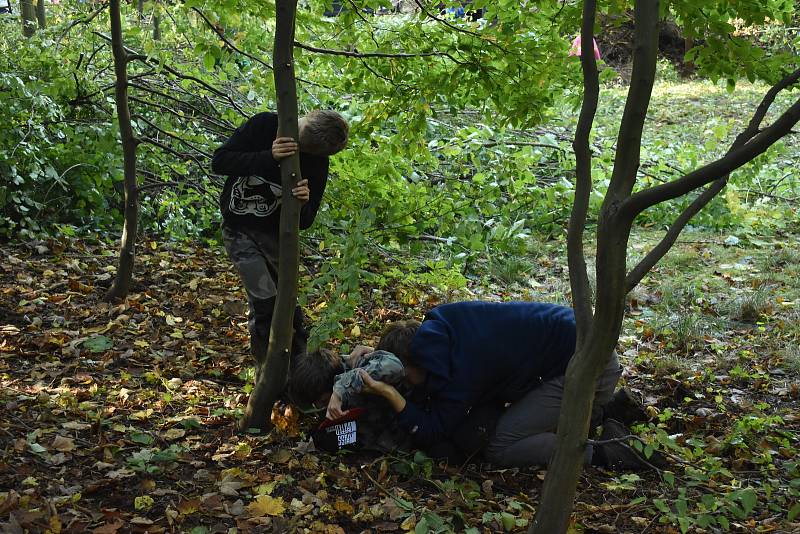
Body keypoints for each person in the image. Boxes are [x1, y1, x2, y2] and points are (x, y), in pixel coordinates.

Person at [356, 301, 652, 469]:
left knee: (501, 445)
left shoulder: (463, 368)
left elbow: (435, 429)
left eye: (402, 375)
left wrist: (391, 394)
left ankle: (605, 450)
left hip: (588, 369)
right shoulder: (441, 329)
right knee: (515, 418)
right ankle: (601, 413)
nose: (404, 382)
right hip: (581, 345)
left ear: (413, 363)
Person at [211, 110, 349, 384]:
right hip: (239, 230)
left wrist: (302, 202)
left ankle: (302, 371)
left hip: (277, 241)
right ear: (305, 116)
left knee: (287, 309)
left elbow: (306, 220)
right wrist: (268, 157)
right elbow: (220, 161)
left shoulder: (317, 162)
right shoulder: (265, 125)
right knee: (264, 301)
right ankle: (268, 374)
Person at [287, 348, 412, 452]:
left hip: (401, 423)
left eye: (324, 401)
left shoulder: (353, 365)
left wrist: (339, 391)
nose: (321, 406)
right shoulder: (320, 376)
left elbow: (394, 365)